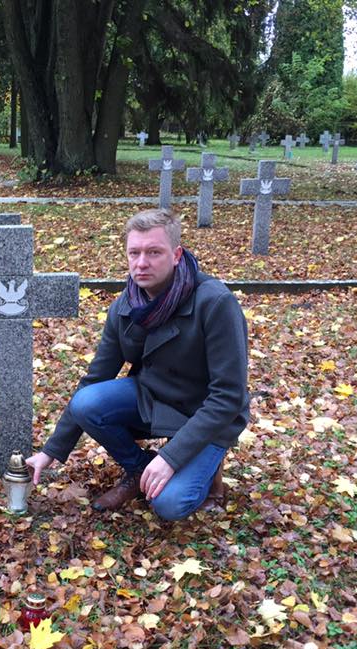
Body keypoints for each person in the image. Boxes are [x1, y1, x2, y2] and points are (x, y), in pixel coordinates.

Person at [26, 208, 249, 521]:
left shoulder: (214, 302)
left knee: (169, 505)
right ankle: (139, 468)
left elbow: (228, 396)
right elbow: (95, 378)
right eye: (134, 253)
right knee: (87, 402)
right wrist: (52, 451)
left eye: (154, 252)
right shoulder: (126, 305)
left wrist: (171, 457)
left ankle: (207, 471)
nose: (141, 263)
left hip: (206, 414)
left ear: (176, 255)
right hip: (153, 400)